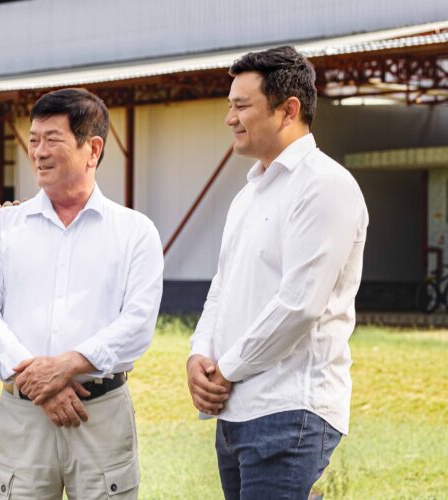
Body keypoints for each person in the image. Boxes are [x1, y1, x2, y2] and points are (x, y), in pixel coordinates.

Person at [186, 46, 369, 498]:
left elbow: (300, 305)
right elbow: (221, 289)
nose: (230, 118)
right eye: (230, 105)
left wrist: (225, 370)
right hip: (236, 412)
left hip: (289, 411)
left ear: (288, 110)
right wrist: (198, 355)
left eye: (242, 106)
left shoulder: (324, 186)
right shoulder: (249, 194)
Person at [0, 88, 164, 499]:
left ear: (92, 149)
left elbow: (138, 323)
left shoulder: (135, 232)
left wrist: (70, 364)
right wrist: (39, 381)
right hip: (23, 417)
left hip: (100, 415)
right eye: (34, 139)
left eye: (52, 139)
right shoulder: (1, 227)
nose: (38, 151)